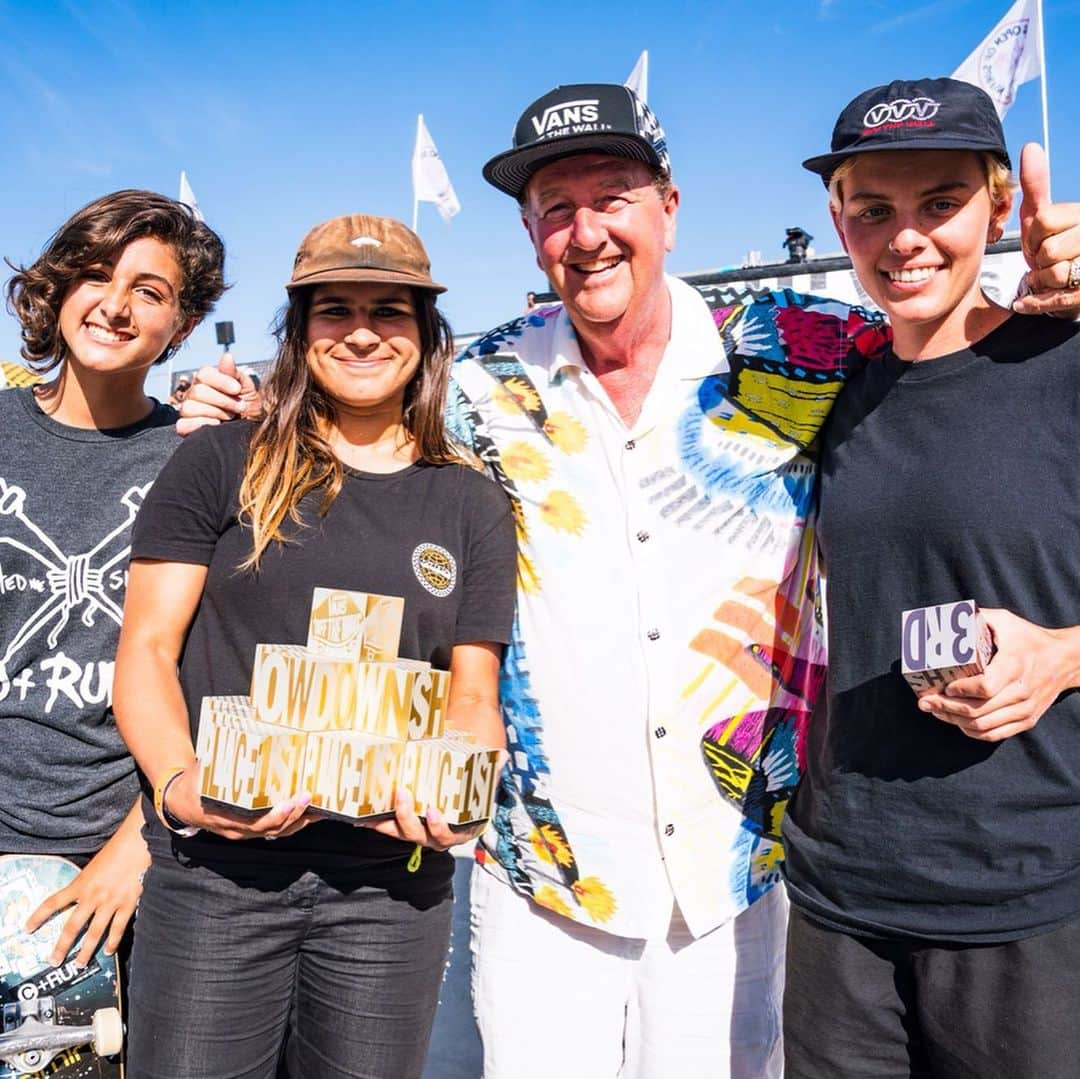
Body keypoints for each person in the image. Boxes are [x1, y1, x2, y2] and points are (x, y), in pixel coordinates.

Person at [179, 84, 1080, 1078]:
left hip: (741, 871)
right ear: (529, 234)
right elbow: (348, 413)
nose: (587, 231)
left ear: (670, 208)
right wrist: (242, 400)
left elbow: (959, 342)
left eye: (613, 196)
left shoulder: (803, 348)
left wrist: (1058, 294)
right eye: (555, 208)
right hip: (545, 879)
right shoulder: (475, 387)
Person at [112, 213, 517, 1079]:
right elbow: (145, 649)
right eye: (334, 308)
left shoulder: (471, 502)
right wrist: (183, 790)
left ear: (426, 333)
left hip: (387, 892)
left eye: (390, 309)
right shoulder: (221, 460)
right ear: (299, 331)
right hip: (216, 878)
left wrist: (464, 796)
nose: (363, 330)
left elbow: (472, 696)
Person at [782, 77, 1080, 1078]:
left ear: (999, 206)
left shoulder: (1068, 364)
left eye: (939, 202)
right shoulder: (829, 393)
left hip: (1024, 902)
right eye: (874, 210)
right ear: (839, 220)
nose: (904, 237)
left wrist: (1061, 654)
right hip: (838, 898)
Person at [0, 190, 224, 976]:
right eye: (96, 274)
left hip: (137, 851)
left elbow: (217, 675)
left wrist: (139, 842)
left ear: (184, 326)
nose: (115, 306)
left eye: (150, 291)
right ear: (60, 286)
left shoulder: (202, 462)